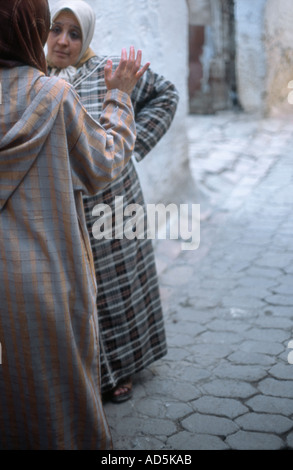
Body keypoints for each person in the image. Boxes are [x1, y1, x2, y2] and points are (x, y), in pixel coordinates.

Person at [0, 0, 150, 450]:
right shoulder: (52, 94)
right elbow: (104, 166)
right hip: (44, 276)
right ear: (34, 30)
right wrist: (119, 97)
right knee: (55, 398)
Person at [47, 0, 179, 403]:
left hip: (113, 203)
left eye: (74, 33)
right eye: (56, 30)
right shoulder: (35, 77)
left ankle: (120, 368)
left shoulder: (106, 71)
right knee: (77, 294)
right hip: (64, 209)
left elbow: (165, 94)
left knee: (117, 288)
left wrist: (132, 149)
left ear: (86, 36)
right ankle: (88, 368)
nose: (64, 41)